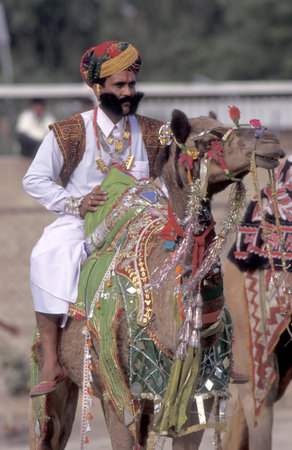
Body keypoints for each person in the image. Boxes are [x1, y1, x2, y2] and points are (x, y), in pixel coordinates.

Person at [23, 41, 165, 397]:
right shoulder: (70, 131)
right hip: (83, 222)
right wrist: (75, 203)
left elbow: (173, 177)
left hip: (144, 222)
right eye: (119, 85)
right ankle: (53, 361)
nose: (128, 92)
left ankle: (200, 352)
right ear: (97, 87)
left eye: (131, 84)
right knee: (46, 254)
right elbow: (34, 179)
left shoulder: (153, 132)